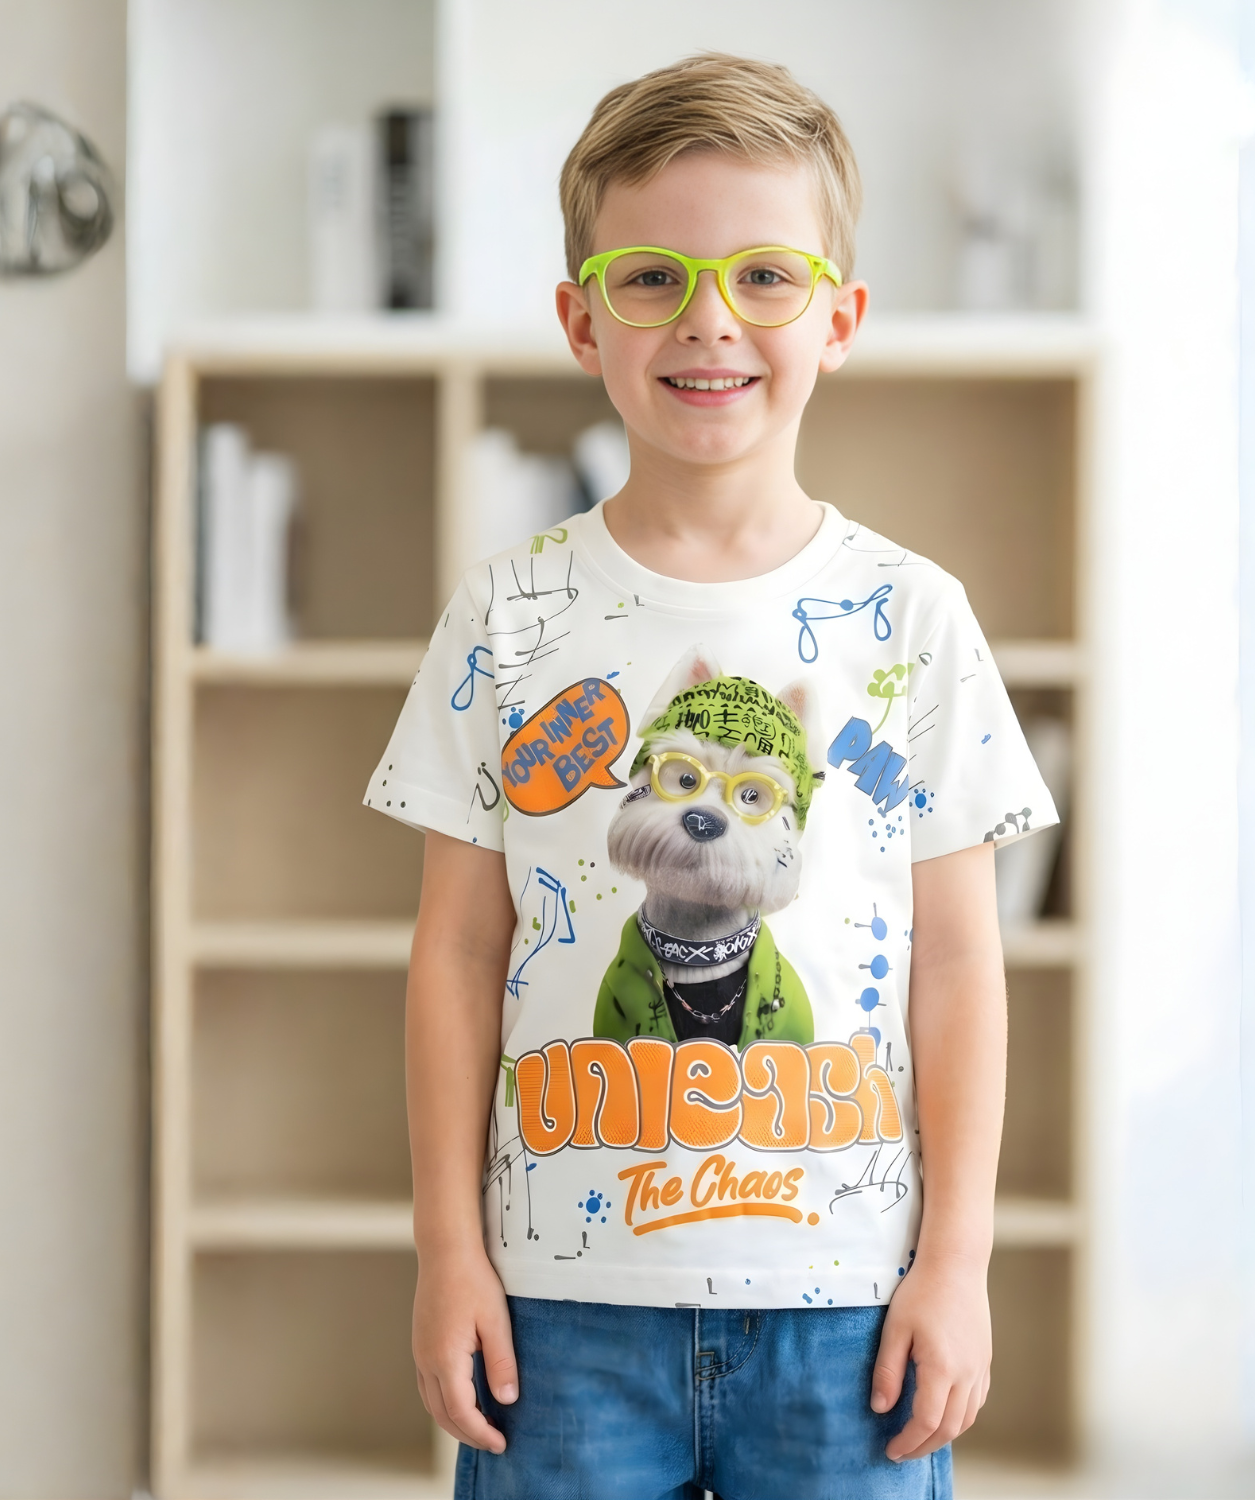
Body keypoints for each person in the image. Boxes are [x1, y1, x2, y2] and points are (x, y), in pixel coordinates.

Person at [366, 52, 1058, 1500]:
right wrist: (446, 1249)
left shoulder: (912, 619)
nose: (709, 321)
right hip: (560, 1306)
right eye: (651, 278)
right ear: (581, 318)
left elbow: (958, 965)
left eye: (764, 277)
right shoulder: (508, 616)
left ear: (839, 318)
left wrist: (959, 1262)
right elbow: (458, 951)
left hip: (848, 1305)